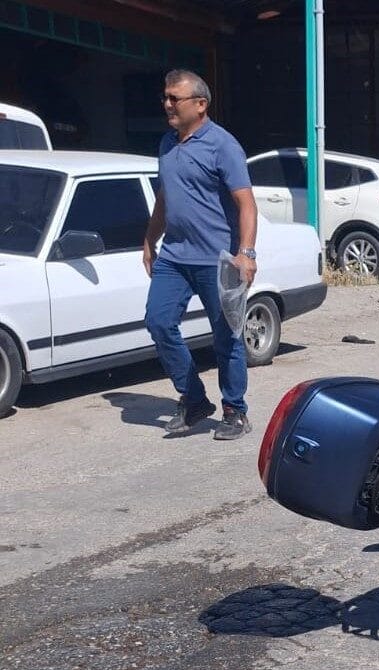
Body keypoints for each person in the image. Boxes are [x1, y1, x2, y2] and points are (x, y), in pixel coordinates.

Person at [142, 69, 258, 440]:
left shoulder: (223, 146)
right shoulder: (166, 143)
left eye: (174, 98)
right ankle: (193, 399)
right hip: (175, 256)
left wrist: (247, 253)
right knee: (158, 322)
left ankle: (234, 410)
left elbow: (246, 204)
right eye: (165, 97)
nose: (167, 104)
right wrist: (149, 240)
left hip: (218, 259)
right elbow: (164, 198)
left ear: (200, 104)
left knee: (227, 337)